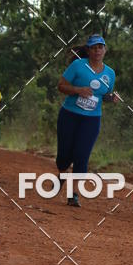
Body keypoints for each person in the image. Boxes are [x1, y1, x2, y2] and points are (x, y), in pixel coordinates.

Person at [56, 34, 119, 207]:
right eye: (93, 47)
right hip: (69, 115)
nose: (97, 50)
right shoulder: (78, 65)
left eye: (100, 47)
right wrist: (77, 90)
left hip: (91, 120)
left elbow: (104, 96)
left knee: (82, 155)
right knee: (64, 157)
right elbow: (61, 86)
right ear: (89, 50)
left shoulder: (110, 73)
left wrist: (111, 98)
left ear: (105, 50)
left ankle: (74, 194)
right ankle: (62, 173)